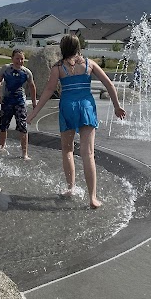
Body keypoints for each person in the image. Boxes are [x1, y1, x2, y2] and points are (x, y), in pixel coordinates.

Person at [27, 35, 126, 209]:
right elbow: (109, 84)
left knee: (67, 150)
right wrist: (117, 107)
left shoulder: (58, 67)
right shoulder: (89, 64)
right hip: (86, 107)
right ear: (78, 46)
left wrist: (34, 113)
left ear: (62, 48)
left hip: (68, 107)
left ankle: (71, 188)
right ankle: (92, 198)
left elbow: (49, 91)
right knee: (88, 153)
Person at [0, 49, 37, 160]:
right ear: (12, 59)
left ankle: (25, 153)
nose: (20, 61)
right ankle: (1, 147)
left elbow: (32, 86)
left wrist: (34, 102)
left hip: (20, 103)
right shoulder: (6, 69)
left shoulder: (26, 72)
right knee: (3, 126)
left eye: (22, 58)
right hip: (6, 101)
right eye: (17, 58)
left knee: (23, 127)